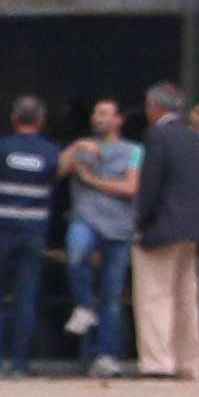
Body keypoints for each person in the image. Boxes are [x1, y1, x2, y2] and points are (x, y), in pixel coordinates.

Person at [126, 77, 199, 384]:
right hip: (194, 228)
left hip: (163, 226)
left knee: (155, 295)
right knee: (187, 297)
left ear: (154, 107)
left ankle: (158, 362)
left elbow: (151, 184)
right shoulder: (196, 138)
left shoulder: (156, 137)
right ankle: (191, 363)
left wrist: (142, 222)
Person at [0, 95, 62, 375]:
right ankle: (20, 364)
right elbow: (55, 182)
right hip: (33, 231)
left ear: (14, 119)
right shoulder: (51, 153)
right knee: (26, 296)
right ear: (41, 121)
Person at [59, 96, 140, 377]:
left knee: (112, 296)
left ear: (119, 120)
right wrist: (76, 146)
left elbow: (131, 187)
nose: (98, 117)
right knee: (76, 253)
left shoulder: (135, 151)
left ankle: (105, 354)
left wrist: (92, 180)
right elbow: (57, 170)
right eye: (95, 112)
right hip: (86, 220)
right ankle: (84, 305)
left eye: (105, 113)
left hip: (119, 229)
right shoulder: (82, 148)